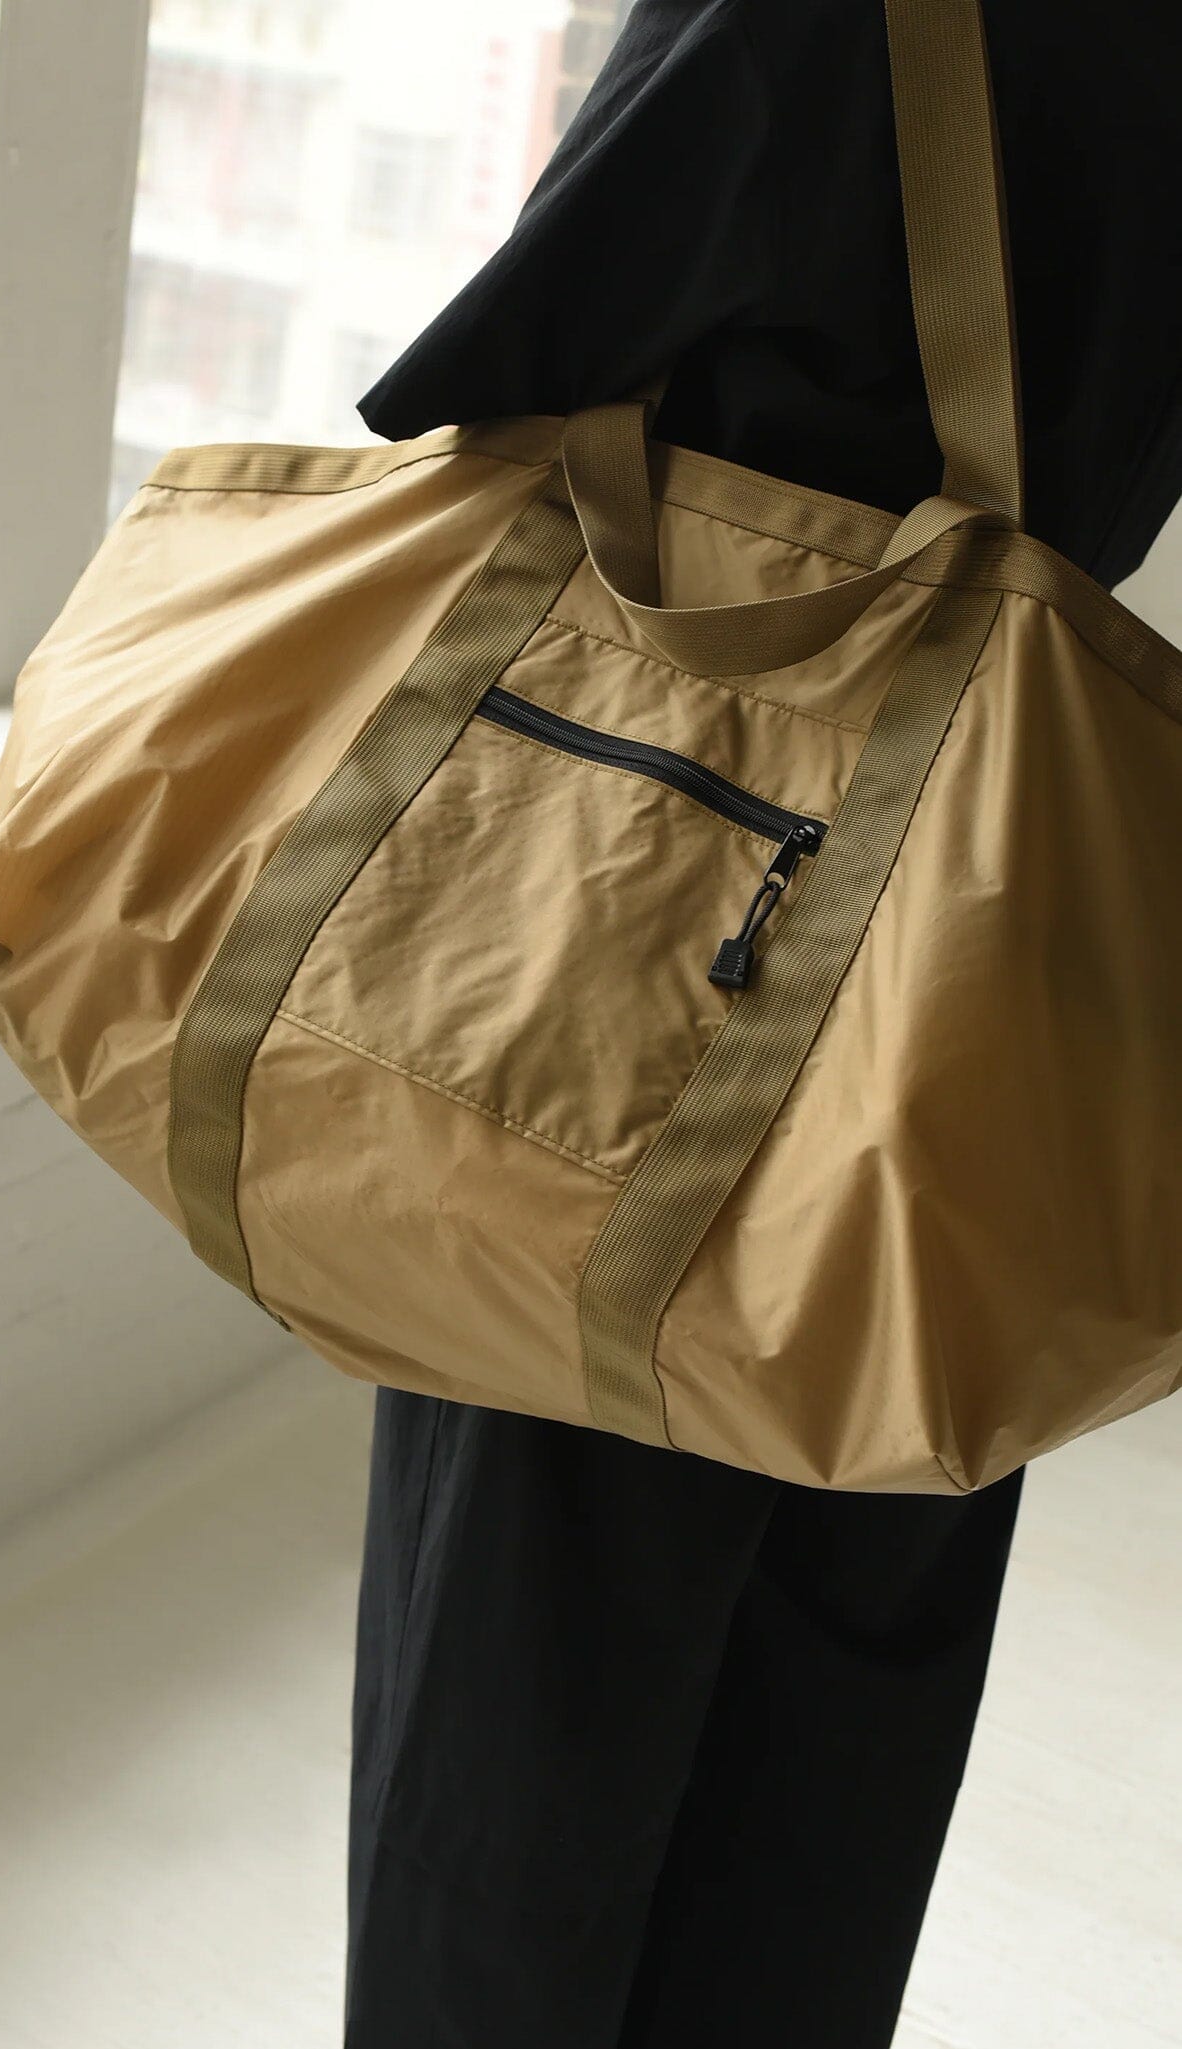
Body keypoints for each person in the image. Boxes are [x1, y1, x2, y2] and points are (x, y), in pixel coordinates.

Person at [342, 3, 1182, 2043]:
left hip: (658, 888)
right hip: (990, 903)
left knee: (523, 1657)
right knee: (854, 1610)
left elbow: (492, 367)